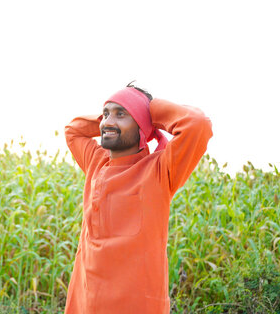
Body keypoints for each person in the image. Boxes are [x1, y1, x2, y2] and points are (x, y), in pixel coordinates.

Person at [63, 82, 212, 313]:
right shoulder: (96, 160)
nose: (108, 122)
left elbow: (198, 125)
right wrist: (115, 115)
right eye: (105, 114)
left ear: (143, 125)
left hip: (137, 305)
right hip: (86, 303)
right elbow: (72, 130)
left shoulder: (160, 170)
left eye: (121, 114)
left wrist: (150, 112)